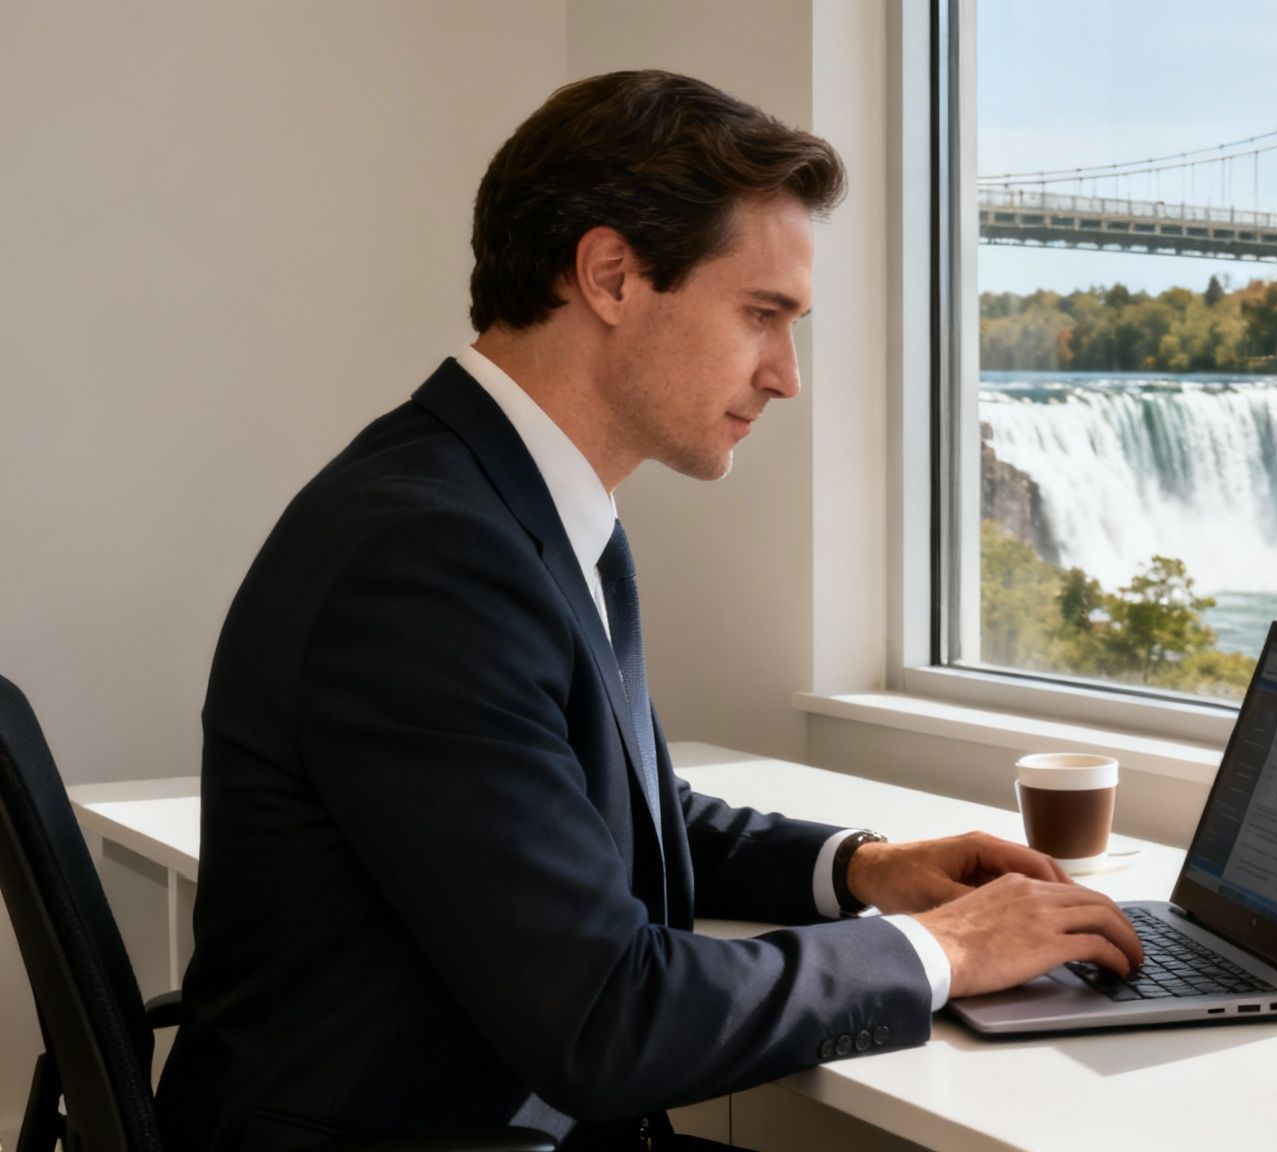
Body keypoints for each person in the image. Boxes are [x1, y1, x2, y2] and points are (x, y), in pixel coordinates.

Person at [154, 70, 1143, 1151]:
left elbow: (596, 811)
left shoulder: (522, 508)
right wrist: (943, 951)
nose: (786, 377)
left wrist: (862, 868)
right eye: (761, 316)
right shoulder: (427, 558)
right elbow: (605, 1018)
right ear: (612, 275)